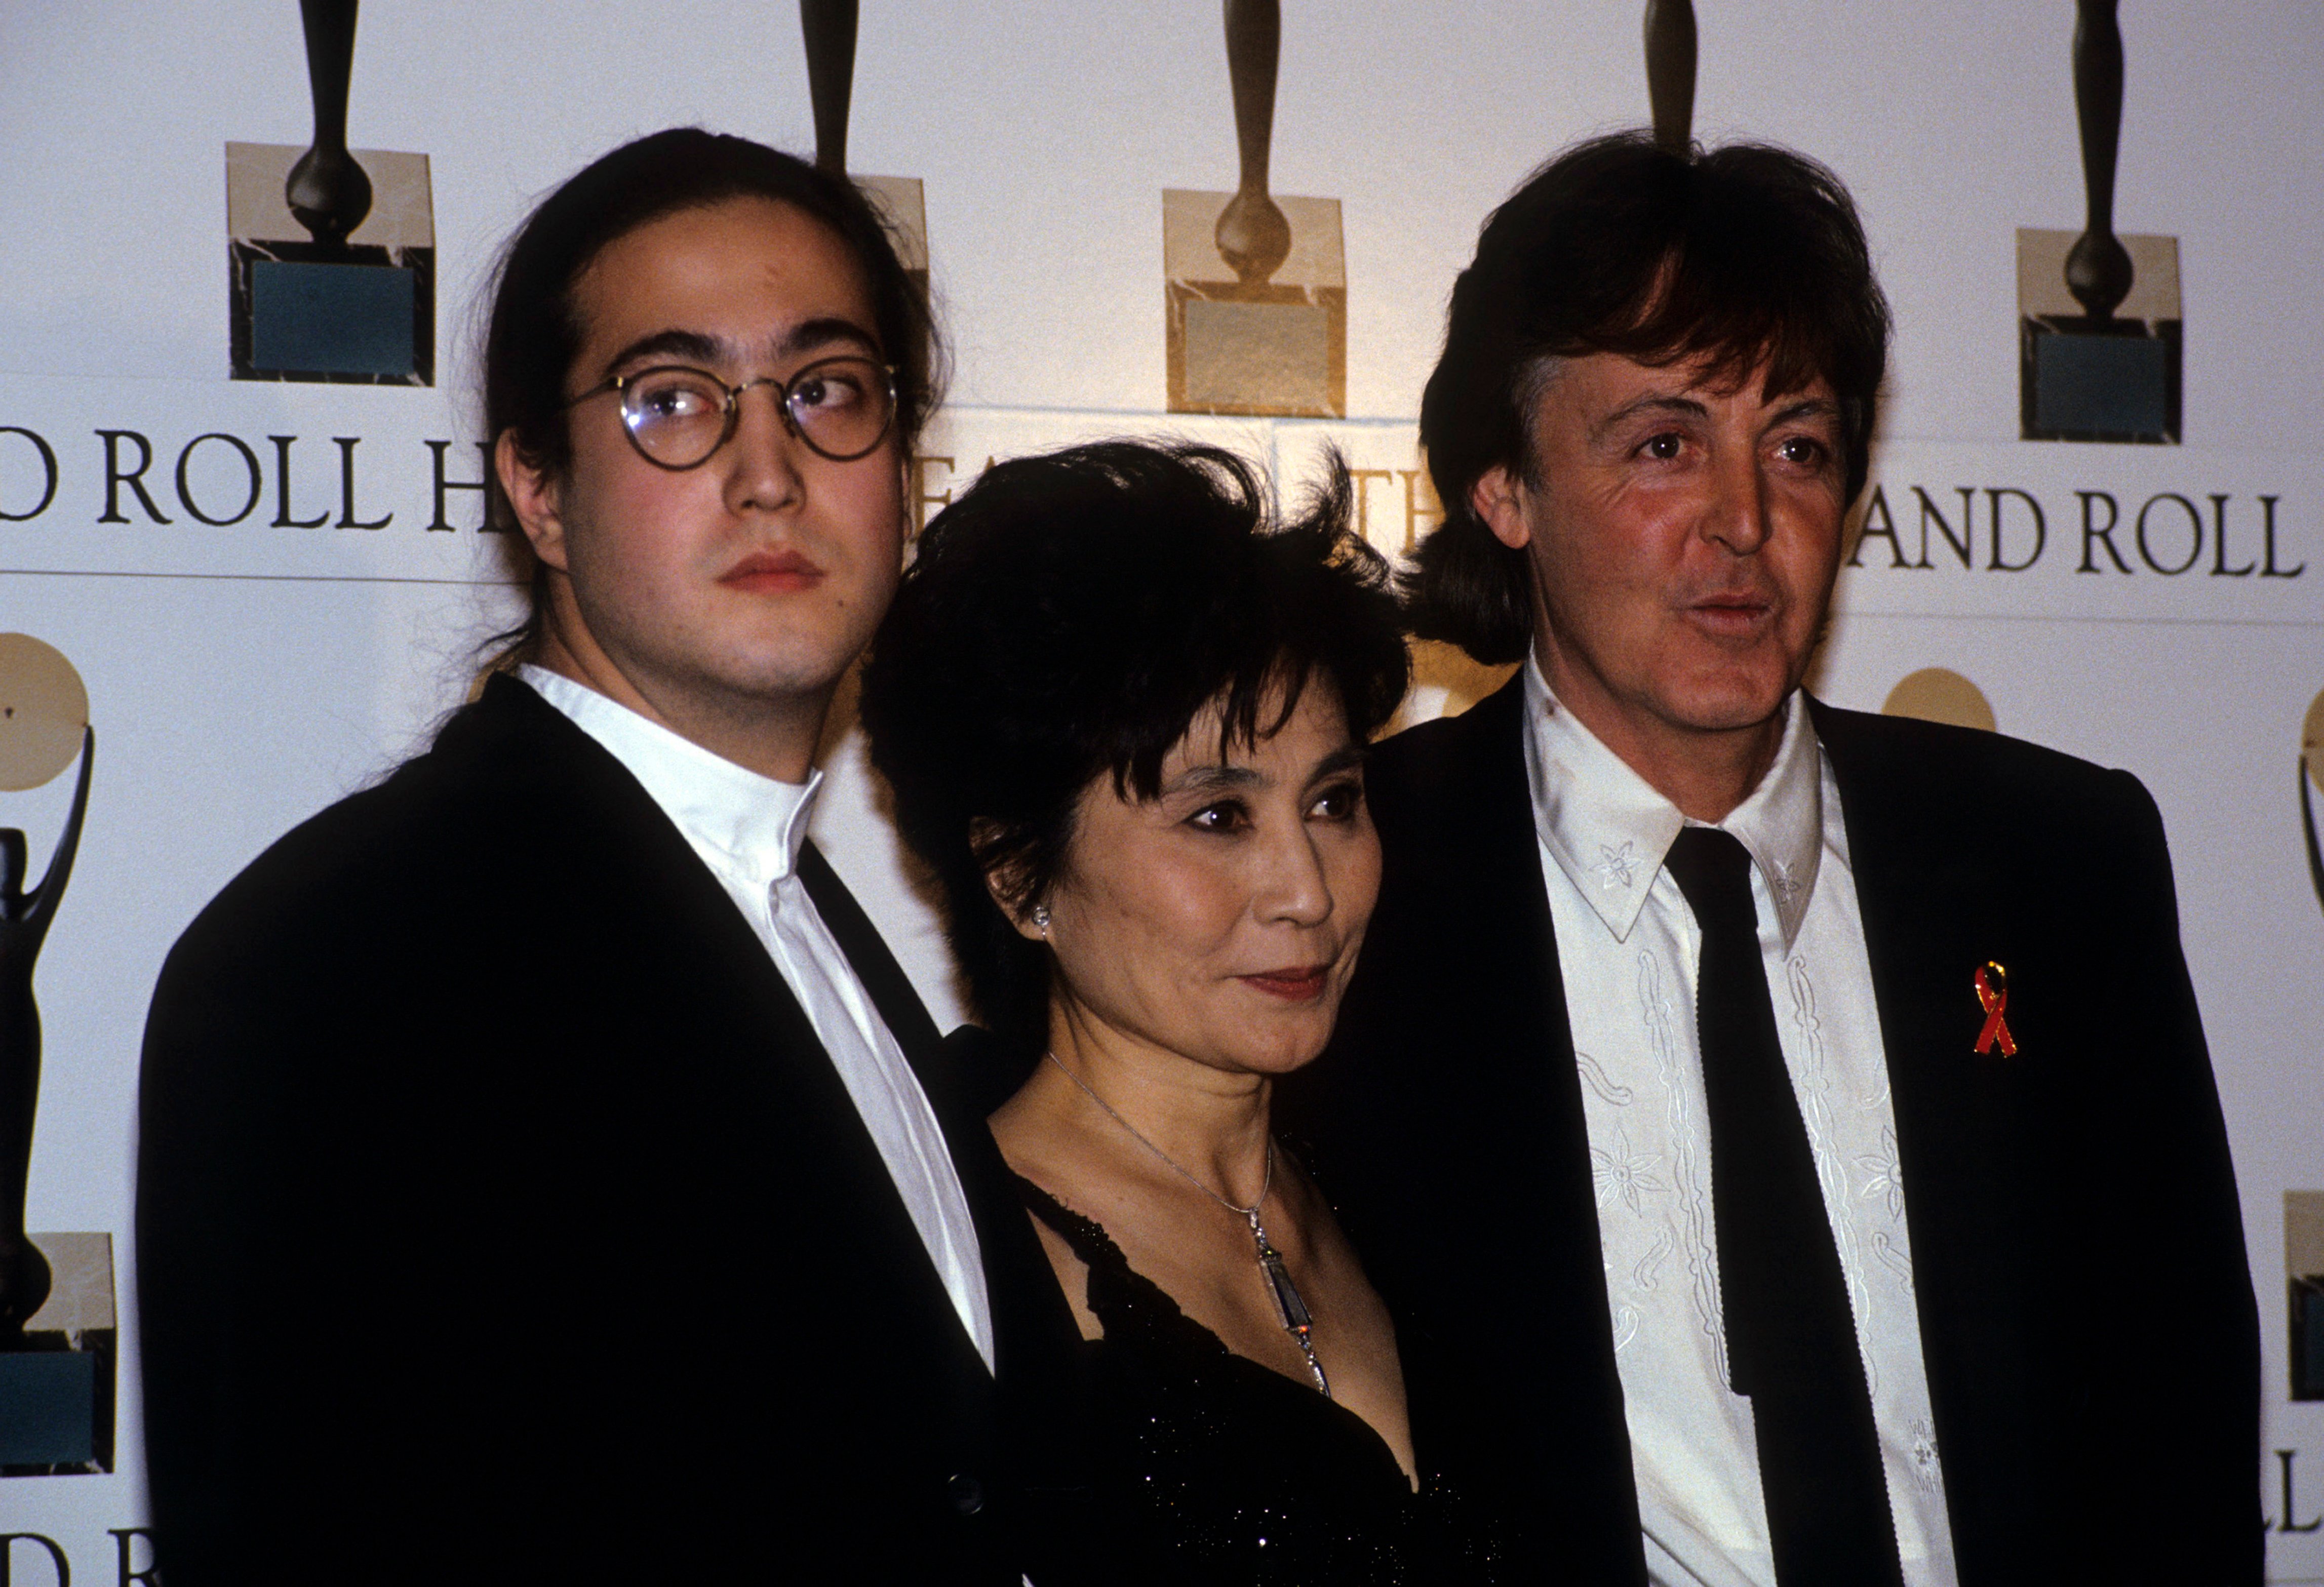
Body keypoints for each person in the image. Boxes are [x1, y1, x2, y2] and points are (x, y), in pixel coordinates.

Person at [1287, 133, 2259, 1587]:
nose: (1746, 521)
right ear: (1500, 483)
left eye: (1795, 445)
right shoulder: (1347, 887)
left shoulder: (2054, 863)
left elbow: (2173, 1434)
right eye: (1662, 444)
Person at [136, 129, 1075, 1587]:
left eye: (826, 389)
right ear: (538, 489)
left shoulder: (807, 917)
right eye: (672, 402)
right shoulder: (331, 963)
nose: (769, 471)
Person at [858, 441, 1505, 1582]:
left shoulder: (1408, 1186)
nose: (1307, 889)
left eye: (1335, 801)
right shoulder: (955, 1273)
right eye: (1218, 818)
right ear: (1019, 877)